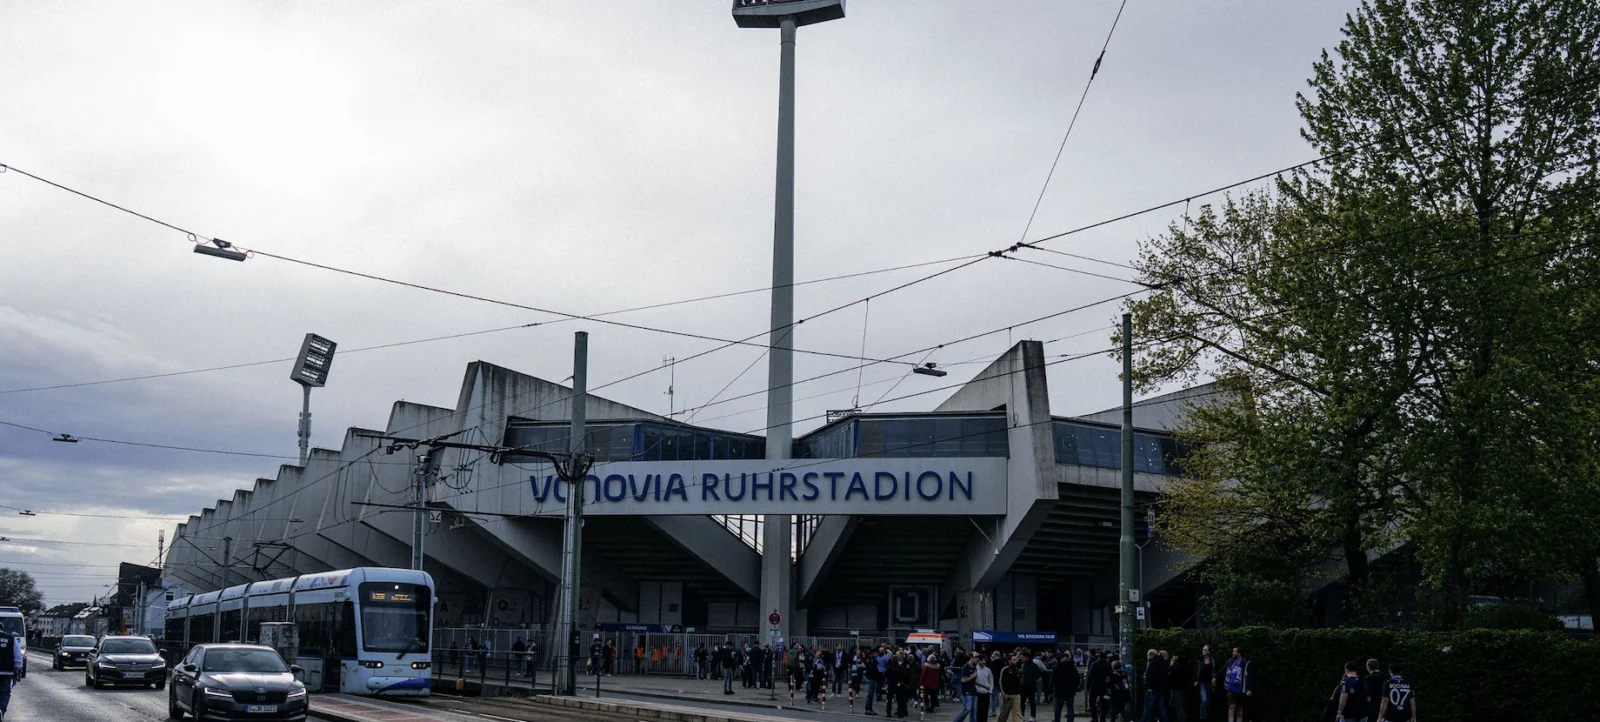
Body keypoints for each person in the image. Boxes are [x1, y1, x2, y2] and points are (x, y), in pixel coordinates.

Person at [1052, 646, 1082, 722]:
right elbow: (1077, 678)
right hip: (1070, 691)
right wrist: (1074, 687)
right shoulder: (1072, 668)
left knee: (1057, 709)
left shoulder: (1057, 667)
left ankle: (1057, 720)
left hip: (1059, 691)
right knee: (1070, 708)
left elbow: (1053, 679)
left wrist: (1053, 687)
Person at [1221, 648, 1251, 722]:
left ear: (1239, 653)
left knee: (1240, 707)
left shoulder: (1245, 663)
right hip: (1230, 687)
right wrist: (1215, 677)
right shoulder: (1230, 661)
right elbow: (1223, 669)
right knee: (1232, 706)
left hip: (1241, 688)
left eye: (1234, 651)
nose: (1233, 653)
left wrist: (1249, 689)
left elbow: (1249, 676)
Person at [0, 629, 24, 721]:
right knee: (4, 692)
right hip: (6, 671)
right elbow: (18, 657)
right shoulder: (11, 639)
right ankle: (1, 709)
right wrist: (18, 669)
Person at [1142, 649, 1169, 722]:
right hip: (1161, 688)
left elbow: (1151, 676)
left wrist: (1149, 687)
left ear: (1151, 654)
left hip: (1152, 689)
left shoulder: (1153, 663)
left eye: (1148, 655)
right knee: (1161, 707)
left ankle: (1144, 720)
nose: (1147, 656)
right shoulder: (1162, 663)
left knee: (1148, 706)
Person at [997, 650, 1025, 722]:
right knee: (1004, 714)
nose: (1015, 661)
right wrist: (1004, 693)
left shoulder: (1017, 670)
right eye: (1013, 659)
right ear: (1009, 660)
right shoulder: (1005, 670)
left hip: (1016, 695)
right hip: (1007, 695)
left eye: (1016, 659)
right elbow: (1001, 682)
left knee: (1017, 714)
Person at [1168, 652, 1192, 722]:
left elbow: (1173, 674)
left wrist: (1171, 666)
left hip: (1176, 687)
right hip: (1181, 687)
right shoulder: (1184, 664)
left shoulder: (1177, 665)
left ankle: (1181, 719)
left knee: (1177, 705)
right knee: (1176, 704)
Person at [1087, 650, 1110, 722]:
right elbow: (1110, 676)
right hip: (1105, 687)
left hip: (1095, 686)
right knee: (1104, 703)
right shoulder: (1108, 665)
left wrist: (1088, 686)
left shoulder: (1094, 664)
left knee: (1091, 702)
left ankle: (1095, 718)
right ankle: (1102, 718)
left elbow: (1090, 676)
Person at [1020, 649, 1041, 722]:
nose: (1021, 658)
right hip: (1023, 686)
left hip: (1031, 686)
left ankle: (1033, 716)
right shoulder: (1022, 665)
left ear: (1027, 657)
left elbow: (1039, 675)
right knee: (1022, 702)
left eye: (1023, 657)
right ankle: (1021, 716)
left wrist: (1032, 680)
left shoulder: (1034, 666)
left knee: (1032, 702)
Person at [1196, 647, 1215, 722]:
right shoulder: (1200, 660)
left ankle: (1206, 717)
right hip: (1202, 682)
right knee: (1204, 700)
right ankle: (1202, 717)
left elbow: (1214, 671)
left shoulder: (1212, 660)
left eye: (1205, 650)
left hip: (1209, 682)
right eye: (1203, 649)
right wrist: (1196, 680)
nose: (1203, 651)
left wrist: (1214, 678)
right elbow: (1196, 670)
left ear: (1209, 652)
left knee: (1208, 701)